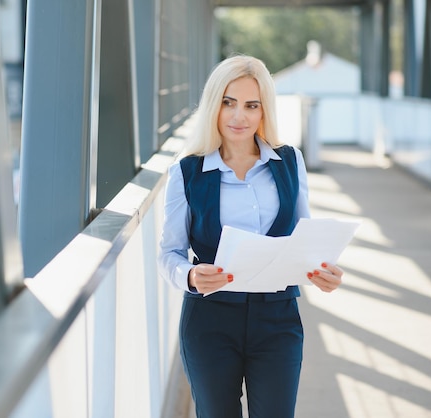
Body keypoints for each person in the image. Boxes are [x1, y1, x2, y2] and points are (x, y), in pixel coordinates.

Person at [157, 55, 344, 418]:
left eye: (250, 105)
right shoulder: (186, 173)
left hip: (277, 319)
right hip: (210, 321)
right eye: (228, 103)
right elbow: (169, 253)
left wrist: (324, 271)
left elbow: (305, 240)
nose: (238, 116)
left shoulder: (290, 163)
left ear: (264, 112)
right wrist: (191, 276)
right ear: (214, 106)